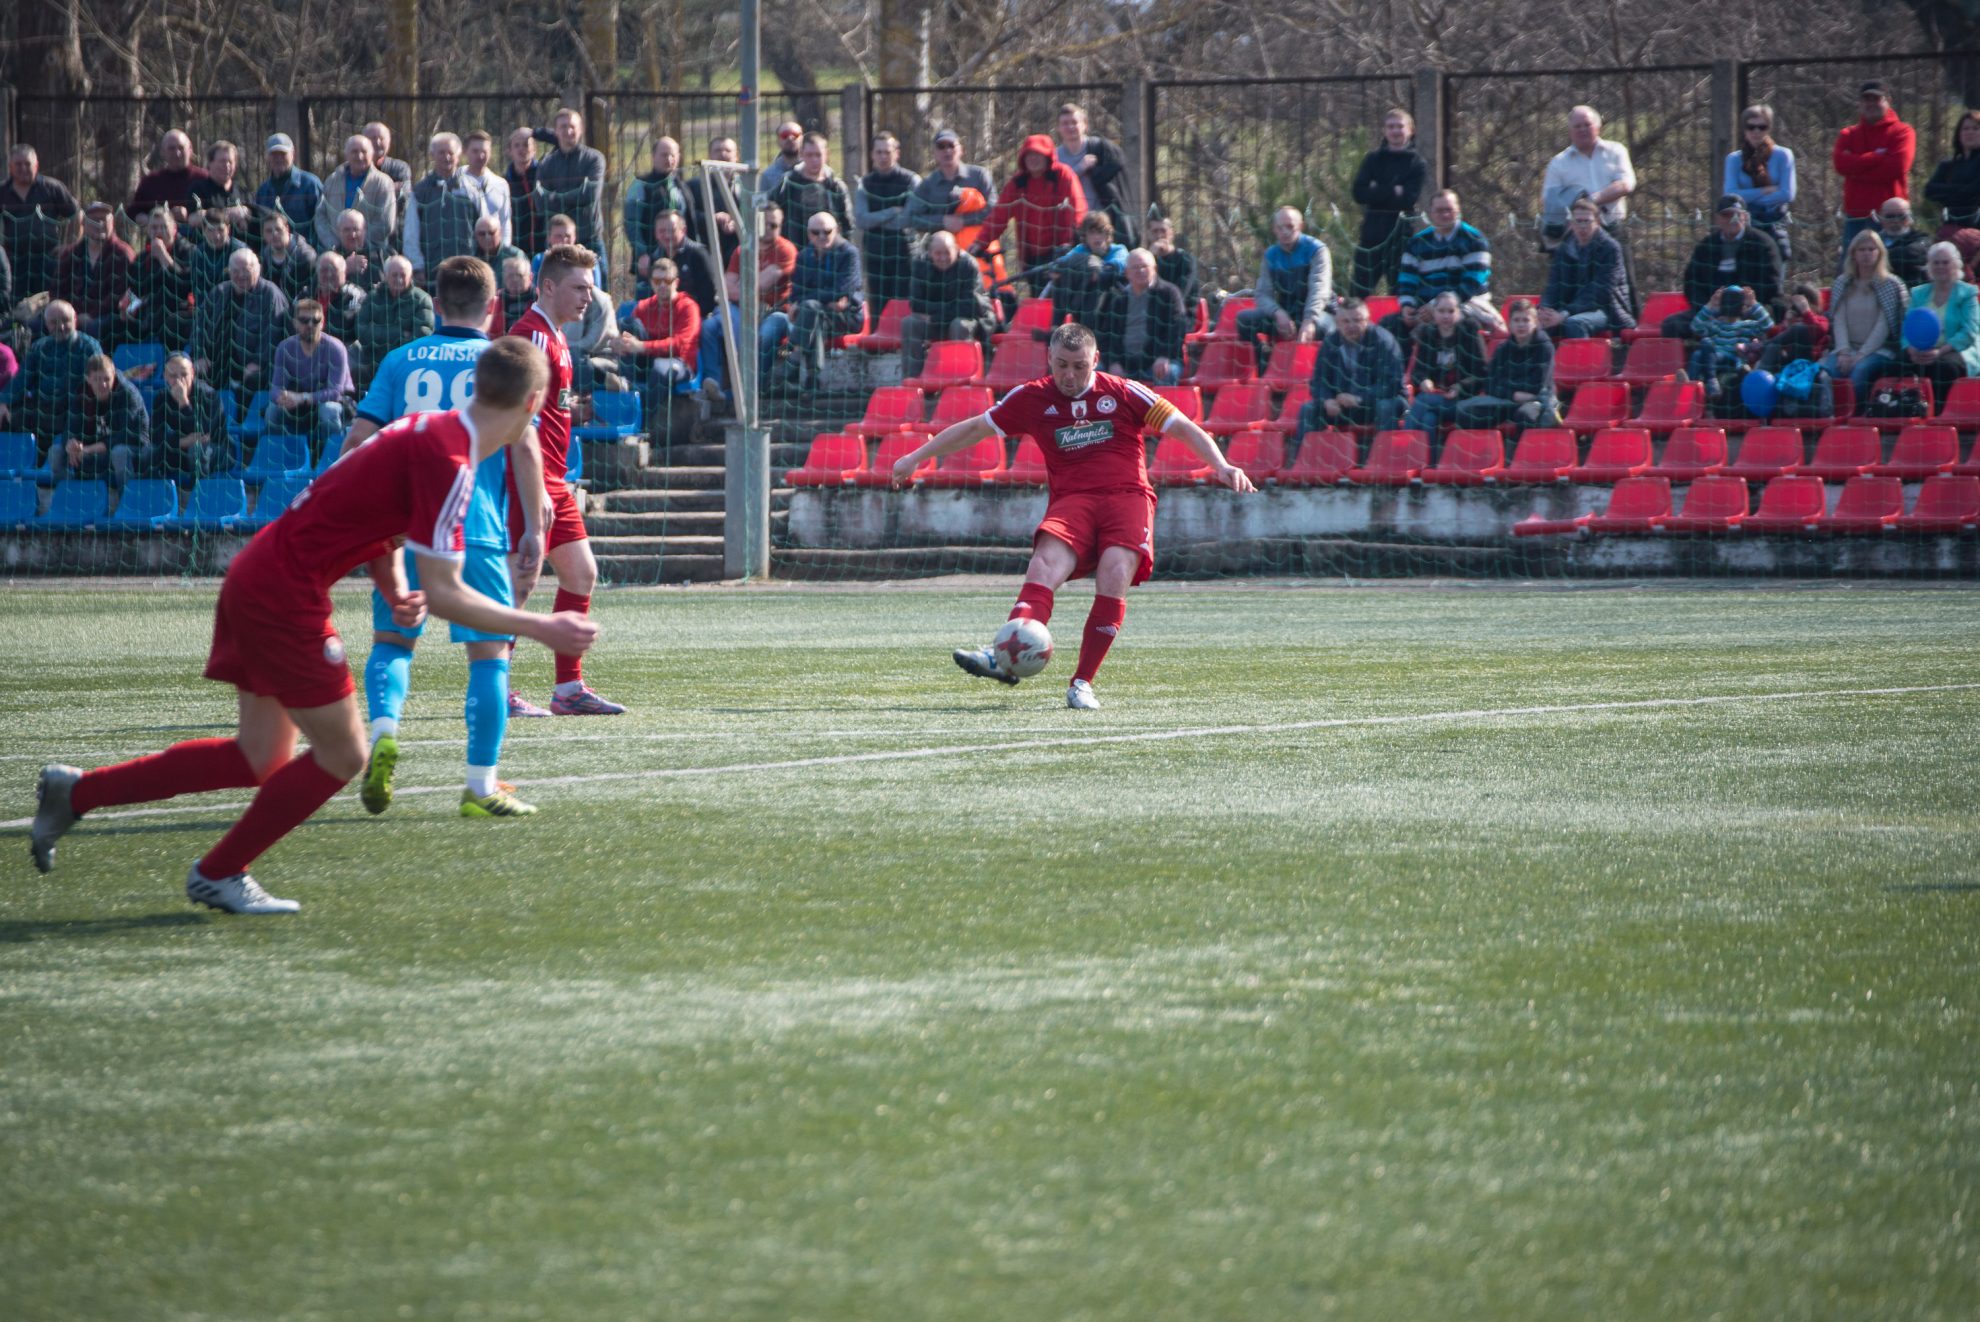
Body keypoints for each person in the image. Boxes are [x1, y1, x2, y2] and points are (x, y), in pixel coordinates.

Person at [28, 337, 598, 914]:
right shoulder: (453, 462)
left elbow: (367, 511)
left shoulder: (428, 428)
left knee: (259, 757)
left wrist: (394, 587)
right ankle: (218, 872)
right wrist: (542, 626)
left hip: (262, 572)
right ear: (533, 405)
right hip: (283, 594)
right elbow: (448, 595)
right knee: (346, 753)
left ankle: (77, 791)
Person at [890, 321, 1254, 710]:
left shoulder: (1124, 392)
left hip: (1127, 498)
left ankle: (1081, 683)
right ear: (1048, 359)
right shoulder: (1031, 397)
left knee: (1114, 573)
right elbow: (978, 428)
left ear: (1095, 360)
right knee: (1043, 566)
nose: (1069, 374)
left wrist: (1221, 465)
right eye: (1061, 364)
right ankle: (1005, 656)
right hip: (1072, 501)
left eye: (1079, 365)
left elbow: (1181, 425)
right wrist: (915, 457)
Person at [342, 255, 551, 815]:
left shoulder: (400, 360)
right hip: (474, 522)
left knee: (392, 643)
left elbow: (357, 440)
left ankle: (384, 732)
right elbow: (526, 446)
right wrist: (534, 525)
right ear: (493, 307)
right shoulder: (498, 361)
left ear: (435, 303)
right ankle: (481, 786)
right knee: (489, 655)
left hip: (401, 527)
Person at [503, 243, 625, 716]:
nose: (587, 298)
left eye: (590, 289)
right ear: (548, 286)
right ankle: (497, 687)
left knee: (581, 572)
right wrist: (535, 495)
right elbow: (520, 425)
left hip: (554, 477)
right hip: (531, 479)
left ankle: (568, 690)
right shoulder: (532, 335)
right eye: (578, 287)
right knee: (521, 581)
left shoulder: (554, 336)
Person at [697, 204, 796, 406]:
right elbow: (727, 289)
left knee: (766, 333)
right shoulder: (742, 250)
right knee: (709, 327)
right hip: (741, 308)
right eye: (764, 223)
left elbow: (761, 285)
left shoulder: (785, 249)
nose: (768, 228)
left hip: (774, 311)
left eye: (774, 225)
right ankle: (714, 384)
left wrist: (741, 285)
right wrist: (745, 287)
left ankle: (749, 389)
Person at [1663, 196, 1784, 339]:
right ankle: (1701, 356)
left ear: (1745, 217)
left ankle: (1754, 356)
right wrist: (1710, 308)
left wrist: (1740, 306)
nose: (1733, 219)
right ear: (1717, 219)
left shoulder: (1763, 244)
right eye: (1727, 215)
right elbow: (1692, 284)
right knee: (1672, 325)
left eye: (1737, 214)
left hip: (1750, 310)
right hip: (1712, 311)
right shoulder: (1706, 246)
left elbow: (1771, 285)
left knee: (1770, 319)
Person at [977, 133, 1086, 276]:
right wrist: (980, 243)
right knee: (1037, 297)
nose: (1033, 159)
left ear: (1048, 156)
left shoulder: (1062, 175)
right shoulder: (1018, 182)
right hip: (1031, 256)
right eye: (1029, 155)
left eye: (1038, 154)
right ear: (1023, 158)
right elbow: (999, 215)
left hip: (1064, 252)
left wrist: (1074, 243)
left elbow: (1078, 209)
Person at [1881, 241, 1980, 397]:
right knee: (1897, 365)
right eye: (1936, 262)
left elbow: (1970, 332)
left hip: (1956, 349)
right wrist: (1911, 349)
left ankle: (1937, 415)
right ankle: (1902, 409)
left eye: (1945, 262)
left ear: (1955, 265)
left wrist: (1940, 351)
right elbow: (1908, 328)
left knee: (1944, 368)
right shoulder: (1919, 293)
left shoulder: (1967, 293)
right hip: (1921, 349)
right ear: (1929, 266)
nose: (1940, 266)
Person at [1234, 206, 1333, 362]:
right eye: (1280, 227)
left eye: (1290, 227)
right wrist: (1277, 313)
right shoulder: (1270, 255)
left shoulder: (1317, 250)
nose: (1285, 232)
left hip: (1318, 312)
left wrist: (1309, 320)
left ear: (1300, 226)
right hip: (1286, 313)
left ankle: (1322, 373)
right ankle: (1264, 367)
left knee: (1326, 328)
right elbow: (1262, 293)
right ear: (1274, 229)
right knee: (1244, 320)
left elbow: (1319, 289)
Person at [1819, 228, 1906, 402]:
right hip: (1846, 348)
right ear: (1853, 254)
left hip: (1879, 350)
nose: (1866, 254)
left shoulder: (1890, 284)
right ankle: (1827, 413)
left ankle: (1854, 414)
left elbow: (1884, 326)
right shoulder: (1843, 283)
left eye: (1871, 249)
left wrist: (1860, 356)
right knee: (1824, 372)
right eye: (1862, 250)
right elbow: (1839, 319)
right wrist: (1844, 352)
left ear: (1880, 253)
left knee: (1860, 370)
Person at [1348, 108, 1428, 299]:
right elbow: (1359, 193)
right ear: (1384, 131)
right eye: (1390, 127)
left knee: (1400, 290)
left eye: (1399, 126)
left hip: (1401, 234)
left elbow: (1409, 198)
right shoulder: (1372, 159)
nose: (1395, 131)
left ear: (1410, 130)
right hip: (1371, 233)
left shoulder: (1417, 163)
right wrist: (1393, 189)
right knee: (1359, 290)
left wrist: (1376, 189)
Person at [1833, 79, 1916, 262]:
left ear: (1888, 101)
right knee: (1851, 270)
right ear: (1860, 104)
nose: (1871, 104)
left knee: (1895, 267)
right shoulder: (1848, 134)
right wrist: (1877, 157)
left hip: (1892, 218)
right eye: (1866, 99)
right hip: (1856, 217)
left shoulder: (1903, 132)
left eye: (1876, 99)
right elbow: (1840, 165)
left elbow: (1898, 167)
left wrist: (1856, 167)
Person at [1300, 296, 1406, 436]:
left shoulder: (1384, 341)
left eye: (1357, 320)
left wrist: (1359, 398)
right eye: (1345, 321)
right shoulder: (1330, 343)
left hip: (1377, 403)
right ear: (1337, 322)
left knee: (1385, 407)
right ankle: (1302, 457)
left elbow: (1392, 384)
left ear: (1367, 320)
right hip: (1343, 407)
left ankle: (1384, 456)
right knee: (1308, 409)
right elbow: (1318, 380)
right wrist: (1327, 400)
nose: (1351, 326)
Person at [1399, 190, 1501, 332]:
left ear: (1458, 210)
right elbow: (1407, 280)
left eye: (1449, 210)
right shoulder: (1416, 243)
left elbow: (1472, 284)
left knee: (1449, 325)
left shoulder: (1474, 240)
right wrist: (1407, 306)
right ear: (1430, 213)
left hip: (1466, 304)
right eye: (1439, 211)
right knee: (1392, 325)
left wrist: (1436, 306)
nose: (1445, 215)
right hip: (1424, 308)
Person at [191, 248, 290, 394]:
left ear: (258, 270)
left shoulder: (270, 295)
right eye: (236, 271)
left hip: (254, 365)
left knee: (253, 381)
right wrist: (199, 355)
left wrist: (257, 362)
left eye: (247, 270)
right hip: (217, 362)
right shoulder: (219, 292)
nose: (241, 275)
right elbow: (199, 326)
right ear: (229, 271)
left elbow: (274, 335)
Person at [0, 300, 103, 439]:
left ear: (75, 320)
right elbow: (21, 380)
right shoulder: (39, 347)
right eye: (54, 322)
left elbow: (97, 383)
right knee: (8, 417)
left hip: (74, 409)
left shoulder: (89, 347)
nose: (60, 326)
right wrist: (4, 401)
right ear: (47, 324)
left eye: (65, 320)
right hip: (43, 408)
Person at [786, 212, 864, 390]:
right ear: (809, 234)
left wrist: (807, 298)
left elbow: (842, 290)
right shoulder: (804, 256)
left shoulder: (849, 253)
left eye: (827, 231)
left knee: (809, 308)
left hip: (847, 315)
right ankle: (813, 380)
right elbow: (796, 293)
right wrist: (824, 299)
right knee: (814, 314)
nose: (821, 236)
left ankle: (793, 357)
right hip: (820, 315)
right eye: (816, 232)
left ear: (836, 230)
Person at [901, 231, 993, 381]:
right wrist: (944, 311)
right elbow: (916, 303)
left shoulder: (968, 265)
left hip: (972, 319)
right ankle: (912, 380)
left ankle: (961, 379)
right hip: (942, 319)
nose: (943, 258)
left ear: (956, 250)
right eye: (938, 253)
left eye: (947, 253)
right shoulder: (920, 264)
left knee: (959, 325)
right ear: (930, 253)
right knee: (909, 323)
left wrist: (934, 316)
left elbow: (969, 305)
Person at [1538, 195, 1634, 339]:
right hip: (1569, 309)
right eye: (1578, 222)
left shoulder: (1610, 249)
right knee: (1531, 323)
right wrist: (1545, 310)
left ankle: (1582, 362)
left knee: (1574, 324)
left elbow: (1600, 292)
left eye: (1587, 222)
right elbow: (1554, 285)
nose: (1582, 227)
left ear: (1597, 222)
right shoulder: (1563, 250)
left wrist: (1564, 314)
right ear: (1571, 223)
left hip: (1607, 311)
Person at [1453, 299, 1557, 432]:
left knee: (1525, 416)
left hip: (1535, 401)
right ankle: (1487, 451)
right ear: (1509, 323)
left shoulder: (1545, 347)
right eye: (1516, 320)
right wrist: (1513, 394)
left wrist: (1505, 387)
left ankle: (1518, 452)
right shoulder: (1503, 348)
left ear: (1535, 323)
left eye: (1526, 320)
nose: (1521, 325)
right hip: (1505, 401)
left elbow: (1537, 386)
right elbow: (1490, 384)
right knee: (1464, 413)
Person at [49, 354, 149, 490]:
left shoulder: (128, 394)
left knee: (119, 452)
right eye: (96, 379)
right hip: (91, 449)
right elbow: (70, 427)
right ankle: (68, 496)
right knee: (56, 452)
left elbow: (128, 435)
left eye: (107, 379)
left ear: (114, 374)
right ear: (88, 379)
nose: (102, 384)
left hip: (132, 450)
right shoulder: (81, 393)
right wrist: (71, 444)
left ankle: (127, 501)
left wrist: (90, 449)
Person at [265, 299, 351, 446]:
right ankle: (282, 458)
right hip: (298, 405)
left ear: (322, 322)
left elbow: (336, 392)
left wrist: (303, 398)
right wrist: (283, 397)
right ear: (295, 323)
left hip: (334, 403)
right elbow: (275, 388)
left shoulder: (336, 348)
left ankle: (332, 457)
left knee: (328, 410)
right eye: (304, 320)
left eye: (316, 320)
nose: (310, 325)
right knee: (272, 411)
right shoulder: (285, 348)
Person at [614, 256, 701, 400]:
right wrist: (618, 342)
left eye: (667, 281)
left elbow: (680, 344)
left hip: (679, 362)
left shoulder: (688, 307)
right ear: (651, 283)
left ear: (676, 283)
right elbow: (629, 338)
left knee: (661, 369)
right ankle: (624, 388)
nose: (661, 285)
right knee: (629, 324)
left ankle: (639, 408)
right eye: (656, 281)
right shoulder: (644, 306)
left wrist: (642, 346)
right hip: (647, 361)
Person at [1541, 106, 1637, 236]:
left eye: (1587, 125)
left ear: (1598, 127)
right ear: (1570, 131)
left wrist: (1591, 200)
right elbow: (1550, 200)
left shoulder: (1616, 151)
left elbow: (1626, 184)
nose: (1582, 130)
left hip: (1612, 228)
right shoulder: (1558, 163)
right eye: (1577, 126)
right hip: (1575, 234)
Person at [1402, 291, 1488, 435]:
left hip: (1464, 402)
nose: (1446, 316)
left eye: (1451, 311)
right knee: (1429, 419)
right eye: (1441, 311)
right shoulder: (1428, 335)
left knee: (1423, 401)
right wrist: (1423, 381)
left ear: (1458, 312)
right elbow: (1418, 372)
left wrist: (1460, 387)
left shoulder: (1469, 334)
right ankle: (1426, 457)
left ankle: (1401, 448)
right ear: (1434, 313)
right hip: (1436, 398)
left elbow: (1483, 374)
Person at [1098, 248, 1187, 385]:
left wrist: (1164, 356)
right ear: (1127, 273)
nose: (1140, 271)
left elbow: (1177, 329)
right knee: (1093, 372)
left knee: (1167, 373)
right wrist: (1113, 362)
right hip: (1123, 364)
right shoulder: (1117, 298)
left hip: (1158, 361)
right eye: (1135, 267)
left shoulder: (1169, 293)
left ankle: (1162, 407)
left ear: (1155, 268)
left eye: (1145, 266)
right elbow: (1105, 335)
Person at [1054, 102, 1136, 247]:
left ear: (1085, 124)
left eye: (1074, 122)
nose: (1070, 127)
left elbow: (1118, 170)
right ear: (1059, 128)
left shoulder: (1101, 149)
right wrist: (1080, 168)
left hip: (1103, 220)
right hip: (1072, 224)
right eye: (1065, 123)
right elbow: (1056, 186)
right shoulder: (1056, 156)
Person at [1724, 104, 1797, 264]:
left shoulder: (1783, 155)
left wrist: (1747, 197)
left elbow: (1787, 193)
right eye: (1751, 127)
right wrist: (1766, 191)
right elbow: (1730, 195)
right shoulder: (1734, 159)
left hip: (1774, 221)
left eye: (1762, 127)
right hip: (1745, 224)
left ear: (1768, 128)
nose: (1756, 131)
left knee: (1776, 267)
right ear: (1744, 129)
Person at [405, 132, 484, 280]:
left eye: (451, 153)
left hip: (468, 270)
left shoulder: (472, 188)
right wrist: (417, 267)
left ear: (458, 156)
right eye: (441, 152)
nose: (446, 157)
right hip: (432, 271)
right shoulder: (421, 191)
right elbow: (411, 233)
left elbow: (484, 226)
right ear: (432, 155)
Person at [855, 131, 920, 311]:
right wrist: (891, 211)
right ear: (872, 154)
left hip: (904, 251)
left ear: (897, 153)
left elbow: (908, 219)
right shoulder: (865, 183)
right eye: (879, 152)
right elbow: (860, 220)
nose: (883, 156)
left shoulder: (911, 180)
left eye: (887, 152)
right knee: (878, 305)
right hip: (875, 252)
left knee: (903, 303)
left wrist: (876, 219)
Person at [530, 109, 607, 260]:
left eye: (572, 126)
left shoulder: (594, 159)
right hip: (558, 243)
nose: (568, 131)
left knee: (598, 284)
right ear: (556, 131)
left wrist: (554, 197)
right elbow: (540, 204)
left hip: (590, 238)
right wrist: (576, 195)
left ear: (581, 129)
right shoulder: (546, 163)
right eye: (563, 127)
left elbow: (590, 195)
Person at [2, 144, 80, 294]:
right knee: (15, 303)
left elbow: (76, 215)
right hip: (14, 260)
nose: (23, 168)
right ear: (10, 166)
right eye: (18, 164)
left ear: (36, 165)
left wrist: (69, 245)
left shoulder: (52, 188)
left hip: (48, 259)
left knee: (47, 300)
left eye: (27, 164)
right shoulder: (2, 192)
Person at [51, 200, 132, 339]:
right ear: (83, 223)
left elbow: (120, 293)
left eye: (103, 219)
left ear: (112, 222)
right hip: (69, 316)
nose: (99, 224)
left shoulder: (123, 254)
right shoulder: (70, 254)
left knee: (93, 328)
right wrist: (69, 314)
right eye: (94, 220)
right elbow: (57, 289)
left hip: (108, 317)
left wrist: (91, 315)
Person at [1043, 212, 1128, 338]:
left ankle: (1090, 333)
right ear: (1085, 236)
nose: (1097, 237)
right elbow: (1062, 262)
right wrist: (1056, 269)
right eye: (1092, 233)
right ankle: (1056, 328)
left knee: (1096, 276)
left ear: (1108, 235)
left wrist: (1098, 270)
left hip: (1112, 300)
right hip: (1083, 299)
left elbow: (1118, 266)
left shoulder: (1118, 250)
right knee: (1062, 277)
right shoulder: (1081, 250)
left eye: (1101, 232)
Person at [623, 136, 693, 288]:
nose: (669, 159)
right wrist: (641, 254)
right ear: (653, 156)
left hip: (680, 258)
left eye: (672, 155)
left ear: (679, 157)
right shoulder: (640, 185)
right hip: (650, 260)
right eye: (664, 155)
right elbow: (631, 224)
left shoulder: (682, 187)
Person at [905, 128, 996, 245]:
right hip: (942, 255)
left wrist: (963, 221)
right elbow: (913, 218)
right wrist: (942, 221)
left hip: (978, 248)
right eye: (941, 146)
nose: (947, 151)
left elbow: (994, 210)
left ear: (961, 150)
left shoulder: (979, 176)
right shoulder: (928, 184)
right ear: (934, 153)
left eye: (951, 145)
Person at [150, 352, 228, 487]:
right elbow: (155, 435)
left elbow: (203, 433)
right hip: (178, 448)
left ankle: (199, 500)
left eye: (184, 374)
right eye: (173, 376)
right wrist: (182, 442)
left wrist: (184, 403)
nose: (179, 380)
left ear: (193, 373)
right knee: (148, 453)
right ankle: (155, 498)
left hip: (216, 449)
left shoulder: (209, 395)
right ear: (165, 376)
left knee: (197, 450)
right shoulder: (161, 398)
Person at [354, 255, 435, 384]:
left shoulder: (422, 300)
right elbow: (362, 332)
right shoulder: (372, 298)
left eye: (403, 275)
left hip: (409, 364)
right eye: (394, 275)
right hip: (374, 362)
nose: (399, 279)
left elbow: (422, 336)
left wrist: (380, 334)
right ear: (386, 276)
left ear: (410, 276)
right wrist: (401, 333)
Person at [766, 132, 853, 251]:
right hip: (795, 254)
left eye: (818, 155)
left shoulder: (836, 187)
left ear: (827, 154)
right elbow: (768, 213)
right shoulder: (787, 185)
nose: (814, 160)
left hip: (830, 255)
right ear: (801, 154)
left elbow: (847, 224)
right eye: (809, 155)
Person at [1686, 285, 1774, 403]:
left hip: (1732, 360)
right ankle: (1690, 389)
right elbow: (1695, 327)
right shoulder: (1716, 325)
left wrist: (1753, 302)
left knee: (1701, 351)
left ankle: (1709, 383)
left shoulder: (1747, 325)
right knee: (1698, 353)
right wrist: (1711, 304)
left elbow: (1768, 325)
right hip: (1713, 360)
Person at [127, 209, 198, 349]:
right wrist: (128, 305)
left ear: (174, 228)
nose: (159, 231)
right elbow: (135, 287)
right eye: (154, 227)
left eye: (164, 226)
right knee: (115, 323)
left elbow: (184, 286)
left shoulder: (189, 251)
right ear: (148, 230)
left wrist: (164, 257)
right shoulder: (143, 257)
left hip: (180, 310)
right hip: (148, 311)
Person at [314, 134, 397, 253]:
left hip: (371, 254)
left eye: (364, 151)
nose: (359, 156)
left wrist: (357, 244)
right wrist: (335, 244)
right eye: (354, 151)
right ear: (346, 154)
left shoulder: (383, 183)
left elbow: (385, 223)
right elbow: (320, 216)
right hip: (335, 253)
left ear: (372, 154)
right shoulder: (332, 180)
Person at [641, 209, 717, 312]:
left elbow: (709, 296)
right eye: (662, 231)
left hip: (696, 315)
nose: (667, 236)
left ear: (683, 230)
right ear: (656, 234)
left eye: (672, 230)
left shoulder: (698, 254)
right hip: (664, 316)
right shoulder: (655, 258)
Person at [130, 130, 210, 221]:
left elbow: (218, 211)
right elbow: (133, 212)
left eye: (181, 148)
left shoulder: (204, 179)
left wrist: (192, 215)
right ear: (162, 152)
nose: (177, 153)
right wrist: (156, 219)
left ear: (190, 150)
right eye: (171, 148)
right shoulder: (151, 182)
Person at [1924, 111, 1980, 235]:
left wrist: (1947, 192)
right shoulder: (1948, 165)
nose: (1970, 132)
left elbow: (1974, 191)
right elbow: (1929, 191)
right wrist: (1962, 191)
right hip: (1950, 226)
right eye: (1965, 128)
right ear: (1959, 134)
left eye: (1975, 128)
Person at [255, 133, 323, 234]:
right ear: (267, 157)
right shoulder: (263, 191)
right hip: (272, 248)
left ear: (293, 154)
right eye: (274, 154)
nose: (278, 159)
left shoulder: (311, 185)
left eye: (283, 154)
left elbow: (323, 222)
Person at [460, 131, 513, 247]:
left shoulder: (500, 184)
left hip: (493, 251)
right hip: (466, 249)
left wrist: (504, 250)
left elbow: (505, 221)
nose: (480, 156)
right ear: (465, 152)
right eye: (475, 151)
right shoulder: (456, 183)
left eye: (484, 151)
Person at [364, 121, 415, 236]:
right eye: (373, 138)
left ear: (389, 142)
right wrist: (389, 188)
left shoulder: (400, 168)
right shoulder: (357, 169)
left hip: (395, 231)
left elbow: (403, 195)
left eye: (381, 138)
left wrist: (371, 191)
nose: (377, 142)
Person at [256, 212, 317, 305]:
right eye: (269, 231)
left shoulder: (305, 256)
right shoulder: (263, 255)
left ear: (287, 229)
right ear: (263, 234)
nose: (274, 234)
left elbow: (308, 292)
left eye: (278, 229)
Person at [1143, 215, 1199, 313]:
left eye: (1163, 230)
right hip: (1147, 313)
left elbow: (1181, 293)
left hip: (1179, 313)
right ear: (1148, 234)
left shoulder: (1186, 260)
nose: (1159, 235)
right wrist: (1151, 257)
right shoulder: (1142, 261)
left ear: (1171, 233)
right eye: (1155, 231)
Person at [329, 208, 390, 294]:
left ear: (364, 230)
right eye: (347, 230)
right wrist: (344, 269)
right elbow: (320, 288)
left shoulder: (381, 254)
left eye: (356, 229)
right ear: (338, 232)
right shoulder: (330, 257)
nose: (352, 235)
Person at [504, 126, 544, 256]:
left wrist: (536, 132)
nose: (522, 149)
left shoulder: (544, 173)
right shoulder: (503, 182)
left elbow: (560, 143)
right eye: (517, 145)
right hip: (517, 244)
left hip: (543, 241)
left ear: (534, 150)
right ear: (510, 151)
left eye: (526, 144)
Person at [1873, 199, 1930, 287]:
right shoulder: (1873, 240)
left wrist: (1879, 256)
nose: (1896, 220)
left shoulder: (1921, 238)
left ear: (1909, 218)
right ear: (1881, 218)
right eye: (1890, 216)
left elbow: (1912, 253)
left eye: (1901, 216)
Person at [191, 141, 251, 225]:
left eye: (230, 162)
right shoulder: (198, 189)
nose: (227, 165)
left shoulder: (243, 191)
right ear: (210, 163)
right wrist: (228, 213)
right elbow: (193, 218)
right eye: (222, 161)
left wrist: (246, 211)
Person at [470, 215, 525, 288]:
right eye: (482, 234)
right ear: (476, 236)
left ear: (500, 233)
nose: (487, 237)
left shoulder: (514, 256)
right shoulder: (470, 258)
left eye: (491, 233)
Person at [757, 122, 806, 198]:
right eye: (784, 135)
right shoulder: (767, 175)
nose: (790, 138)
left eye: (795, 135)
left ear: (802, 139)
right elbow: (760, 205)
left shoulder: (816, 171)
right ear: (778, 141)